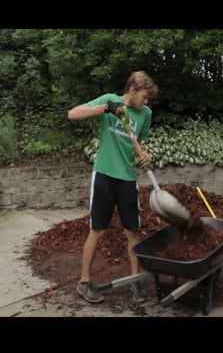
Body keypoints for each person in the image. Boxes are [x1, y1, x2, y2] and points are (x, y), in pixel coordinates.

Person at [67, 71, 156, 303]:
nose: (146, 102)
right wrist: (106, 108)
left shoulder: (145, 114)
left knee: (133, 233)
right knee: (97, 229)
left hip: (128, 179)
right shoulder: (109, 101)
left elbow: (139, 143)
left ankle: (134, 282)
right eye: (144, 97)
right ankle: (84, 282)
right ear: (132, 90)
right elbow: (73, 114)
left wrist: (146, 156)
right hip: (105, 175)